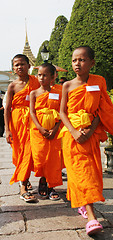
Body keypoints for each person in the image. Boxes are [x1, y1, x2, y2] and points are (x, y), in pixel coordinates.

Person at [59, 46, 113, 235]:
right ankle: (92, 218)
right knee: (78, 174)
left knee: (90, 174)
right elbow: (62, 112)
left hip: (89, 135)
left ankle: (84, 204)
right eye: (75, 60)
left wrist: (91, 130)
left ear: (92, 62)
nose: (78, 64)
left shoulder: (99, 81)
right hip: (72, 137)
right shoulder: (67, 85)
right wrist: (74, 131)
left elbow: (102, 108)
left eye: (82, 60)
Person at [4, 54, 40, 202]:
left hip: (33, 120)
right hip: (17, 122)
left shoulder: (36, 82)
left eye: (22, 64)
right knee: (21, 155)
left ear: (29, 65)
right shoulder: (13, 86)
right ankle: (23, 182)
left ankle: (24, 184)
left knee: (31, 153)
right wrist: (7, 130)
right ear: (13, 68)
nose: (20, 67)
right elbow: (7, 109)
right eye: (16, 65)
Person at [30, 62, 62, 200]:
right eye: (39, 75)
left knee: (53, 159)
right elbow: (32, 112)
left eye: (45, 75)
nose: (41, 78)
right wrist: (40, 128)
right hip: (38, 131)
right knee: (40, 158)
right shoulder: (34, 93)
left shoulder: (58, 92)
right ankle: (43, 179)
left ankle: (51, 185)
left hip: (55, 131)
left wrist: (55, 129)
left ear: (53, 77)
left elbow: (62, 112)